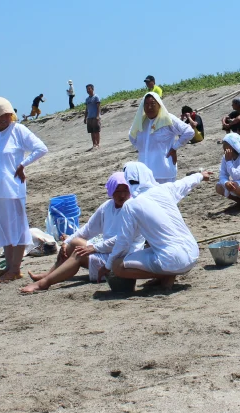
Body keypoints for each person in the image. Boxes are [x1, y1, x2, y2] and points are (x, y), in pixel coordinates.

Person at [20, 172, 145, 293]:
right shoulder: (107, 206)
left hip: (123, 256)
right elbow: (87, 230)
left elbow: (122, 240)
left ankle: (44, 283)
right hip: (108, 250)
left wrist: (94, 248)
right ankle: (50, 274)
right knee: (73, 243)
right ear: (111, 191)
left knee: (79, 253)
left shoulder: (132, 208)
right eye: (118, 191)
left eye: (125, 190)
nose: (122, 195)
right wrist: (66, 242)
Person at [107, 162, 209, 290]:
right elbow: (185, 182)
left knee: (118, 266)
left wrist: (108, 265)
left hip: (173, 260)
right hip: (193, 253)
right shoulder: (164, 189)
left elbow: (123, 242)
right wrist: (200, 175)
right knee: (152, 243)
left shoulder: (131, 204)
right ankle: (165, 273)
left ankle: (165, 276)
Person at [0, 97, 49, 282]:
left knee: (17, 228)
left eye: (7, 115)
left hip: (13, 188)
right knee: (3, 228)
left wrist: (22, 165)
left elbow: (41, 148)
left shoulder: (18, 130)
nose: (4, 119)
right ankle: (9, 267)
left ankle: (16, 268)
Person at [129, 92, 195, 184]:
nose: (149, 107)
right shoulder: (142, 121)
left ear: (159, 105)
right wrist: (144, 150)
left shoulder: (167, 119)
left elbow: (189, 132)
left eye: (152, 104)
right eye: (146, 104)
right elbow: (132, 136)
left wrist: (174, 148)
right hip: (144, 174)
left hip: (164, 173)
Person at [84, 84, 101, 150]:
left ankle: (98, 144)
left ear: (92, 89)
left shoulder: (96, 97)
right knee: (91, 131)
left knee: (96, 131)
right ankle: (94, 144)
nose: (88, 90)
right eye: (87, 89)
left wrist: (97, 116)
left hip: (95, 116)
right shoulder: (87, 99)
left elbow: (98, 107)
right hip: (89, 117)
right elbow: (86, 109)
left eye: (89, 89)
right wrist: (85, 117)